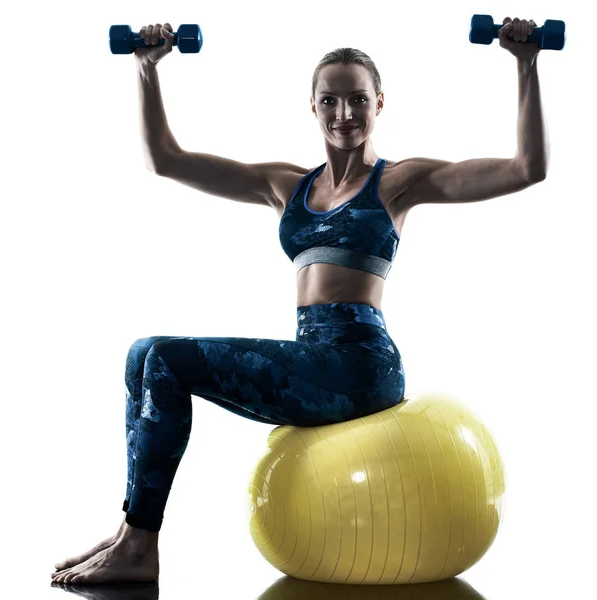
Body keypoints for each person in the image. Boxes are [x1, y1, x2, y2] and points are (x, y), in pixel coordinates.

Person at [52, 17, 547, 584]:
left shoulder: (397, 183)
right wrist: (146, 68)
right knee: (143, 355)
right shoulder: (285, 186)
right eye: (330, 101)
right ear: (311, 107)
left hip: (361, 365)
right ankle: (127, 533)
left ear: (379, 102)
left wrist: (525, 64)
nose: (344, 115)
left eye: (358, 100)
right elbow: (165, 158)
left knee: (164, 356)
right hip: (313, 358)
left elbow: (526, 169)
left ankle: (140, 547)